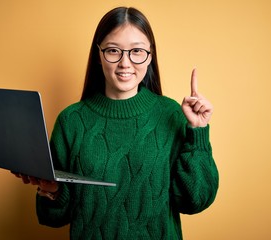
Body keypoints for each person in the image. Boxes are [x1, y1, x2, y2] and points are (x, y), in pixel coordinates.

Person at [14, 6, 219, 239]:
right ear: (99, 55)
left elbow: (196, 200)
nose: (125, 63)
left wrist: (198, 131)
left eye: (137, 51)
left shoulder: (171, 113)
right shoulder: (71, 121)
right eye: (113, 50)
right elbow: (51, 218)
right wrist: (50, 190)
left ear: (150, 56)